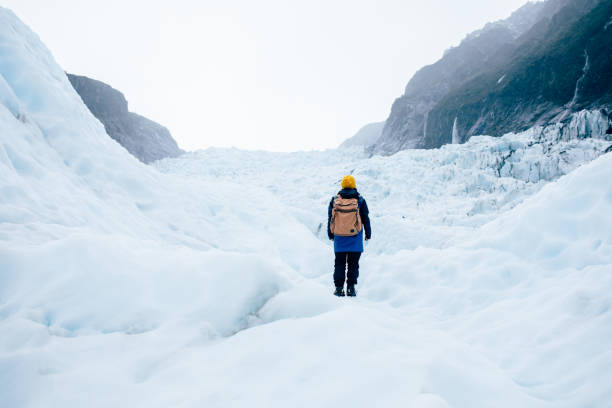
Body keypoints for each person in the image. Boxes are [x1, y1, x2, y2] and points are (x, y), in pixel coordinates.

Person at [327, 175, 371, 297]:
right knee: (353, 264)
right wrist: (368, 234)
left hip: (339, 237)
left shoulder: (334, 200)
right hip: (355, 237)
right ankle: (351, 288)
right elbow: (366, 218)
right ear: (354, 185)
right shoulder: (360, 200)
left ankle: (339, 289)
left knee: (339, 263)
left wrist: (331, 234)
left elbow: (330, 218)